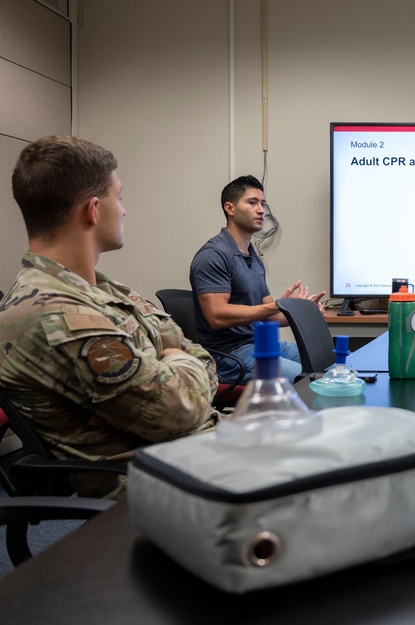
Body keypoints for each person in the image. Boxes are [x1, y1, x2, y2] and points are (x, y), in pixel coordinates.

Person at [0, 136, 218, 500]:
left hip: (192, 454)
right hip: (165, 484)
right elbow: (180, 410)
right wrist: (174, 362)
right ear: (93, 209)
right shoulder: (57, 313)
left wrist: (176, 365)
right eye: (120, 197)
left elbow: (196, 354)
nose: (125, 210)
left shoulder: (101, 289)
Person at [190, 175, 325, 384]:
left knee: (328, 365)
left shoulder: (252, 256)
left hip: (260, 344)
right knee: (308, 380)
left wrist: (302, 311)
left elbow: (270, 317)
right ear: (230, 208)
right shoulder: (213, 255)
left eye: (263, 204)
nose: (261, 210)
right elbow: (217, 316)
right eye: (252, 203)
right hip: (227, 357)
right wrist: (276, 306)